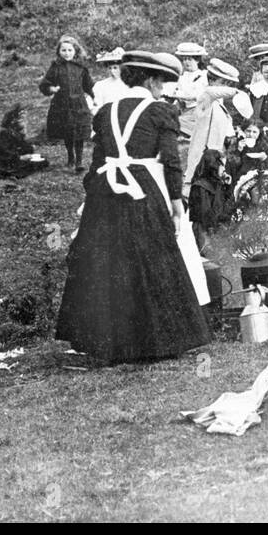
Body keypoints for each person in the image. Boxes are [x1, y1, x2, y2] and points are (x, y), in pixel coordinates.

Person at [56, 50, 211, 365]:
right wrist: (176, 203)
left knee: (108, 262)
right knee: (152, 257)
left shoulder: (106, 111)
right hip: (142, 190)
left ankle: (108, 343)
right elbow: (170, 161)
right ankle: (157, 340)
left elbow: (98, 161)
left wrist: (91, 198)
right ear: (151, 80)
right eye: (162, 82)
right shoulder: (159, 112)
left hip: (105, 191)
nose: (163, 89)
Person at [184, 57, 252, 195]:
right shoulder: (206, 96)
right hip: (203, 153)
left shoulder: (219, 105)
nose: (226, 87)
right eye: (224, 83)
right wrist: (237, 92)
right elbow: (212, 92)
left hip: (217, 154)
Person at [39, 34, 94, 171]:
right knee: (67, 131)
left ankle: (79, 161)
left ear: (75, 51)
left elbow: (89, 85)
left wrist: (96, 96)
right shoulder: (55, 67)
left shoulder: (81, 67)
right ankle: (71, 156)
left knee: (79, 132)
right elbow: (45, 84)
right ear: (59, 52)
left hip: (78, 105)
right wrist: (51, 88)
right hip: (61, 105)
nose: (67, 53)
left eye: (70, 50)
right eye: (63, 50)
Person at [188, 149, 230, 255]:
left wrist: (228, 187)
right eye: (222, 165)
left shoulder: (218, 184)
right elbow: (204, 213)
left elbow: (227, 204)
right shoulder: (200, 186)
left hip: (215, 227)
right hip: (205, 230)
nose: (224, 169)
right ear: (214, 166)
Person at [0, 105, 49, 179]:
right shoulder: (5, 133)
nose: (24, 121)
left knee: (43, 161)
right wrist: (21, 157)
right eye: (22, 119)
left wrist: (29, 147)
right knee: (22, 169)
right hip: (9, 162)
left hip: (16, 160)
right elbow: (6, 152)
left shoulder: (17, 130)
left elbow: (23, 145)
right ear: (13, 120)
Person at [172, 42, 208, 141]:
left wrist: (183, 97)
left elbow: (201, 96)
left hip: (199, 111)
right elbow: (177, 94)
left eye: (189, 59)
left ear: (197, 60)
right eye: (184, 59)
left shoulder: (204, 76)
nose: (186, 62)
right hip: (184, 110)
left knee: (178, 123)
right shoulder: (182, 77)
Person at [90, 47, 127, 114]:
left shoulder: (129, 84)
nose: (112, 71)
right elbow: (95, 105)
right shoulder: (100, 85)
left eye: (115, 68)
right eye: (110, 68)